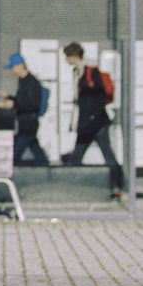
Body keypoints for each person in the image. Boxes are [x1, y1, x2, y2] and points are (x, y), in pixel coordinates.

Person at [60, 43, 124, 199]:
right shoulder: (77, 73)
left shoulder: (91, 72)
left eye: (67, 57)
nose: (66, 60)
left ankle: (119, 185)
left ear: (74, 56)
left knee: (105, 154)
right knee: (79, 155)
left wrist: (92, 118)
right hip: (88, 123)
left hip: (96, 123)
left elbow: (99, 97)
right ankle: (74, 186)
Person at [0, 54, 48, 166]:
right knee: (35, 148)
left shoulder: (31, 82)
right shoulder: (24, 81)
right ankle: (46, 168)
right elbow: (23, 100)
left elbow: (32, 103)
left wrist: (14, 104)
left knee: (15, 153)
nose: (12, 71)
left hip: (28, 122)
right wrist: (9, 97)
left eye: (12, 68)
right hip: (26, 121)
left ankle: (8, 170)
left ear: (20, 65)